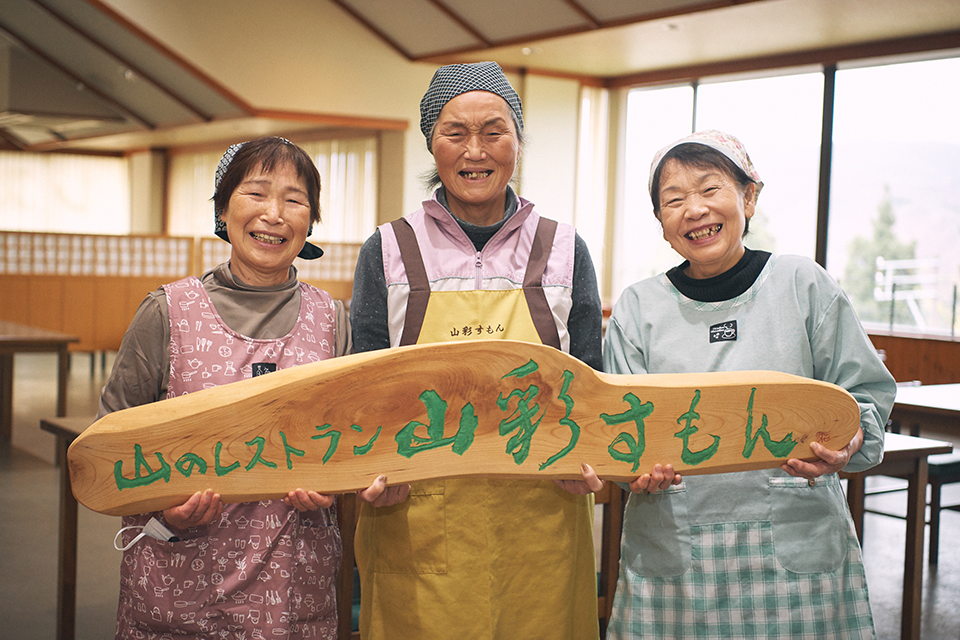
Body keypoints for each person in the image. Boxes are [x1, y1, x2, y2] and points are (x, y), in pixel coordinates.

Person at [603, 129, 897, 639]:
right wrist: (631, 473)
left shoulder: (803, 285)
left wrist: (849, 440)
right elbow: (618, 431)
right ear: (661, 223)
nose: (693, 209)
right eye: (674, 199)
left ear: (749, 196)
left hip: (795, 539)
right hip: (674, 546)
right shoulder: (637, 308)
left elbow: (865, 397)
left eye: (709, 189)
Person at [349, 61, 604, 640]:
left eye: (494, 131)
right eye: (455, 132)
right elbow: (361, 385)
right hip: (415, 509)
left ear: (518, 142)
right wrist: (369, 469)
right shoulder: (388, 249)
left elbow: (590, 380)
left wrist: (588, 459)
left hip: (541, 506)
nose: (476, 150)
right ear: (431, 144)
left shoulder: (565, 248)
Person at [99, 136, 351, 640]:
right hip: (183, 576)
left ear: (311, 220)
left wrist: (332, 483)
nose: (274, 214)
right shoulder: (167, 311)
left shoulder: (332, 317)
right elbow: (110, 445)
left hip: (295, 582)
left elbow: (351, 436)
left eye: (295, 199)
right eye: (256, 194)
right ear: (223, 209)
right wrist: (161, 504)